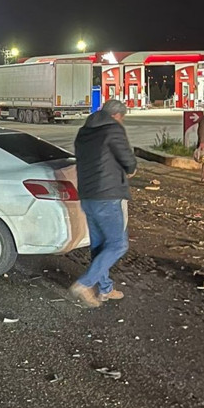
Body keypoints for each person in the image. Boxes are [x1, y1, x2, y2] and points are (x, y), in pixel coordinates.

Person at [69, 99, 137, 308]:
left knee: (99, 246)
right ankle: (85, 283)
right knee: (118, 244)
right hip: (107, 195)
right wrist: (131, 169)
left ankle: (105, 289)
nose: (122, 121)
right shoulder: (113, 129)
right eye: (122, 118)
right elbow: (127, 159)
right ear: (116, 115)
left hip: (87, 196)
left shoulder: (84, 132)